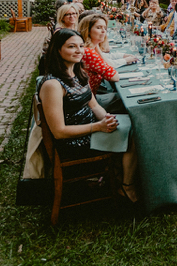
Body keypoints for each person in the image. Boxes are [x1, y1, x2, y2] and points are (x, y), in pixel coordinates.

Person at [38, 28, 138, 202]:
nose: (79, 51)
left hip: (91, 127)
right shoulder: (52, 85)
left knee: (134, 125)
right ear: (58, 50)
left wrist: (106, 118)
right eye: (71, 46)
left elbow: (94, 105)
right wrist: (98, 127)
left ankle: (119, 175)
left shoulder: (77, 73)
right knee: (134, 134)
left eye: (81, 46)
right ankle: (126, 186)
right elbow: (59, 132)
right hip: (74, 142)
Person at [79, 14, 138, 96]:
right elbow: (114, 76)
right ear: (87, 30)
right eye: (99, 28)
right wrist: (125, 60)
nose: (103, 31)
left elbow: (107, 62)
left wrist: (97, 47)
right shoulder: (88, 52)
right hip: (89, 101)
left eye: (104, 28)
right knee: (126, 96)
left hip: (90, 96)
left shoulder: (91, 47)